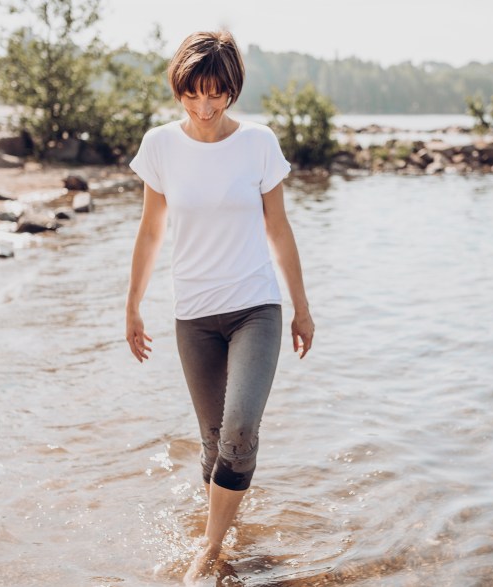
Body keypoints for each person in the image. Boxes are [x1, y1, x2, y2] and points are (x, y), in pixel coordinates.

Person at [124, 30, 314, 582]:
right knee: (213, 443)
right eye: (191, 95)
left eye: (216, 95)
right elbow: (150, 231)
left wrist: (300, 307)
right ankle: (228, 532)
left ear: (233, 90)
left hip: (256, 308)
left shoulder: (258, 143)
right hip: (194, 316)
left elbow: (277, 228)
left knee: (238, 431)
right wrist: (132, 305)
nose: (203, 108)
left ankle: (208, 548)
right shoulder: (160, 145)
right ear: (178, 89)